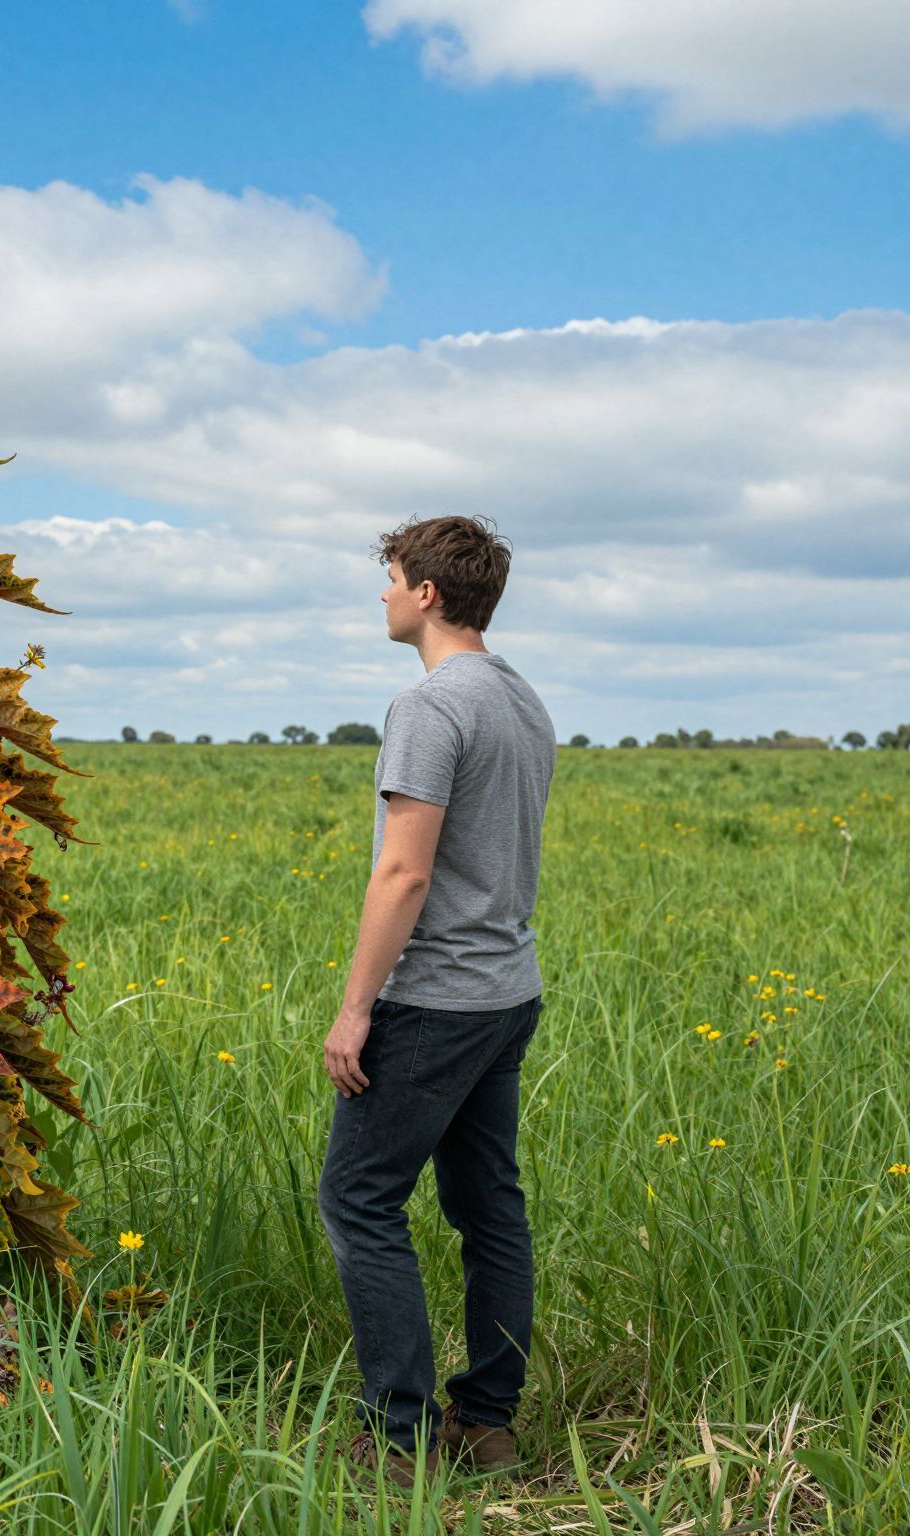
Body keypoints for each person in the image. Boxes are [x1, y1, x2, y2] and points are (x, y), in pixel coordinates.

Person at [315, 513, 556, 1489]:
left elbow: (401, 876)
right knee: (485, 1205)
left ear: (424, 593)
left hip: (437, 1000)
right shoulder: (521, 700)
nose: (380, 594)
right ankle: (487, 1422)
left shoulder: (428, 705)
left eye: (388, 578)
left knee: (358, 1198)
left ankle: (396, 1432)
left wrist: (354, 1008)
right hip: (506, 991)